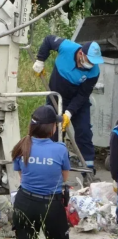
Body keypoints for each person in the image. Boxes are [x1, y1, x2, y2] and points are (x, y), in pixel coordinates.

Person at [33, 36, 104, 184]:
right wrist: (40, 60)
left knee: (84, 132)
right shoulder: (67, 47)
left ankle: (88, 173)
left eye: (94, 62)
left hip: (78, 103)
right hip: (56, 98)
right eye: (90, 60)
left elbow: (83, 95)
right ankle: (52, 172)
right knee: (54, 134)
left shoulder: (94, 72)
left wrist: (69, 113)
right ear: (81, 54)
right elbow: (48, 40)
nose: (92, 64)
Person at [12, 105, 70, 239]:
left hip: (24, 203)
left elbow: (22, 176)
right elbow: (64, 178)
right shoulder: (60, 149)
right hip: (51, 206)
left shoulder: (21, 146)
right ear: (52, 128)